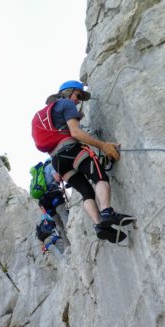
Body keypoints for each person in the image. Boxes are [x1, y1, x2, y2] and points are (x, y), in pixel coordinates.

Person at [32, 80, 132, 243]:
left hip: (57, 161)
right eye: (78, 96)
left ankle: (99, 225)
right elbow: (76, 133)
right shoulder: (66, 103)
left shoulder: (49, 112)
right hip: (71, 150)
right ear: (68, 92)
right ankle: (106, 212)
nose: (79, 101)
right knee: (99, 177)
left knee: (86, 192)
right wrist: (104, 146)